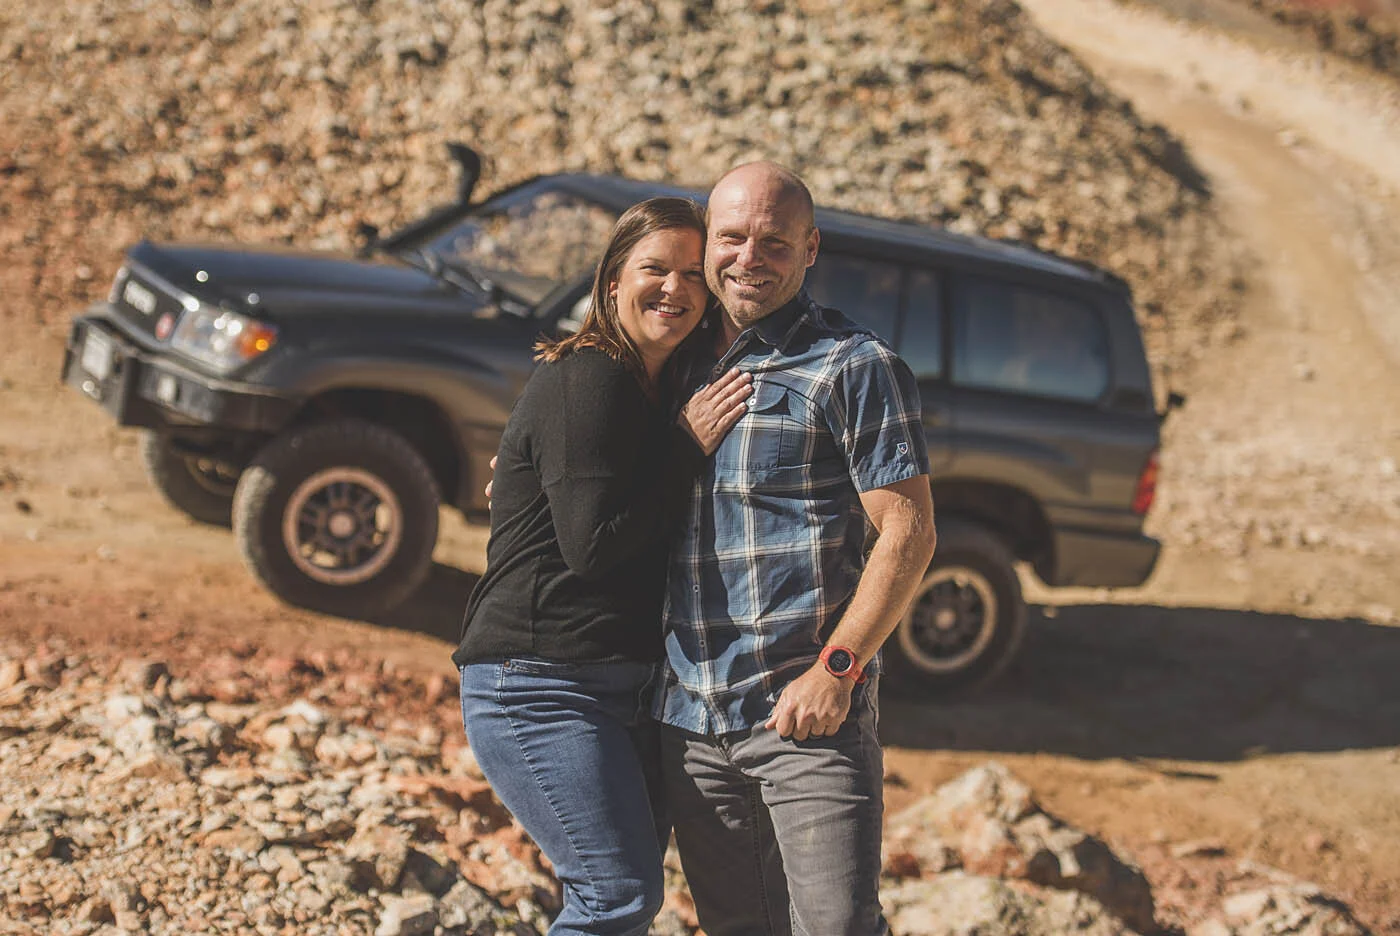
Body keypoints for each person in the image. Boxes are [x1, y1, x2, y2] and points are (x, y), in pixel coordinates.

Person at [453, 196, 754, 936]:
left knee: (618, 894)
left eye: (693, 274)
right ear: (612, 280)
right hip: (540, 682)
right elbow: (593, 547)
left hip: (620, 685)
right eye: (655, 269)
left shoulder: (658, 386)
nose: (676, 289)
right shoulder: (593, 376)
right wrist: (684, 448)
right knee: (615, 897)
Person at [654, 163, 938, 935]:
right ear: (706, 242)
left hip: (805, 721)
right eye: (733, 237)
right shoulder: (670, 359)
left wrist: (837, 670)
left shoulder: (854, 366)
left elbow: (909, 532)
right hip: (689, 720)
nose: (750, 257)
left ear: (811, 249)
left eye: (775, 242)